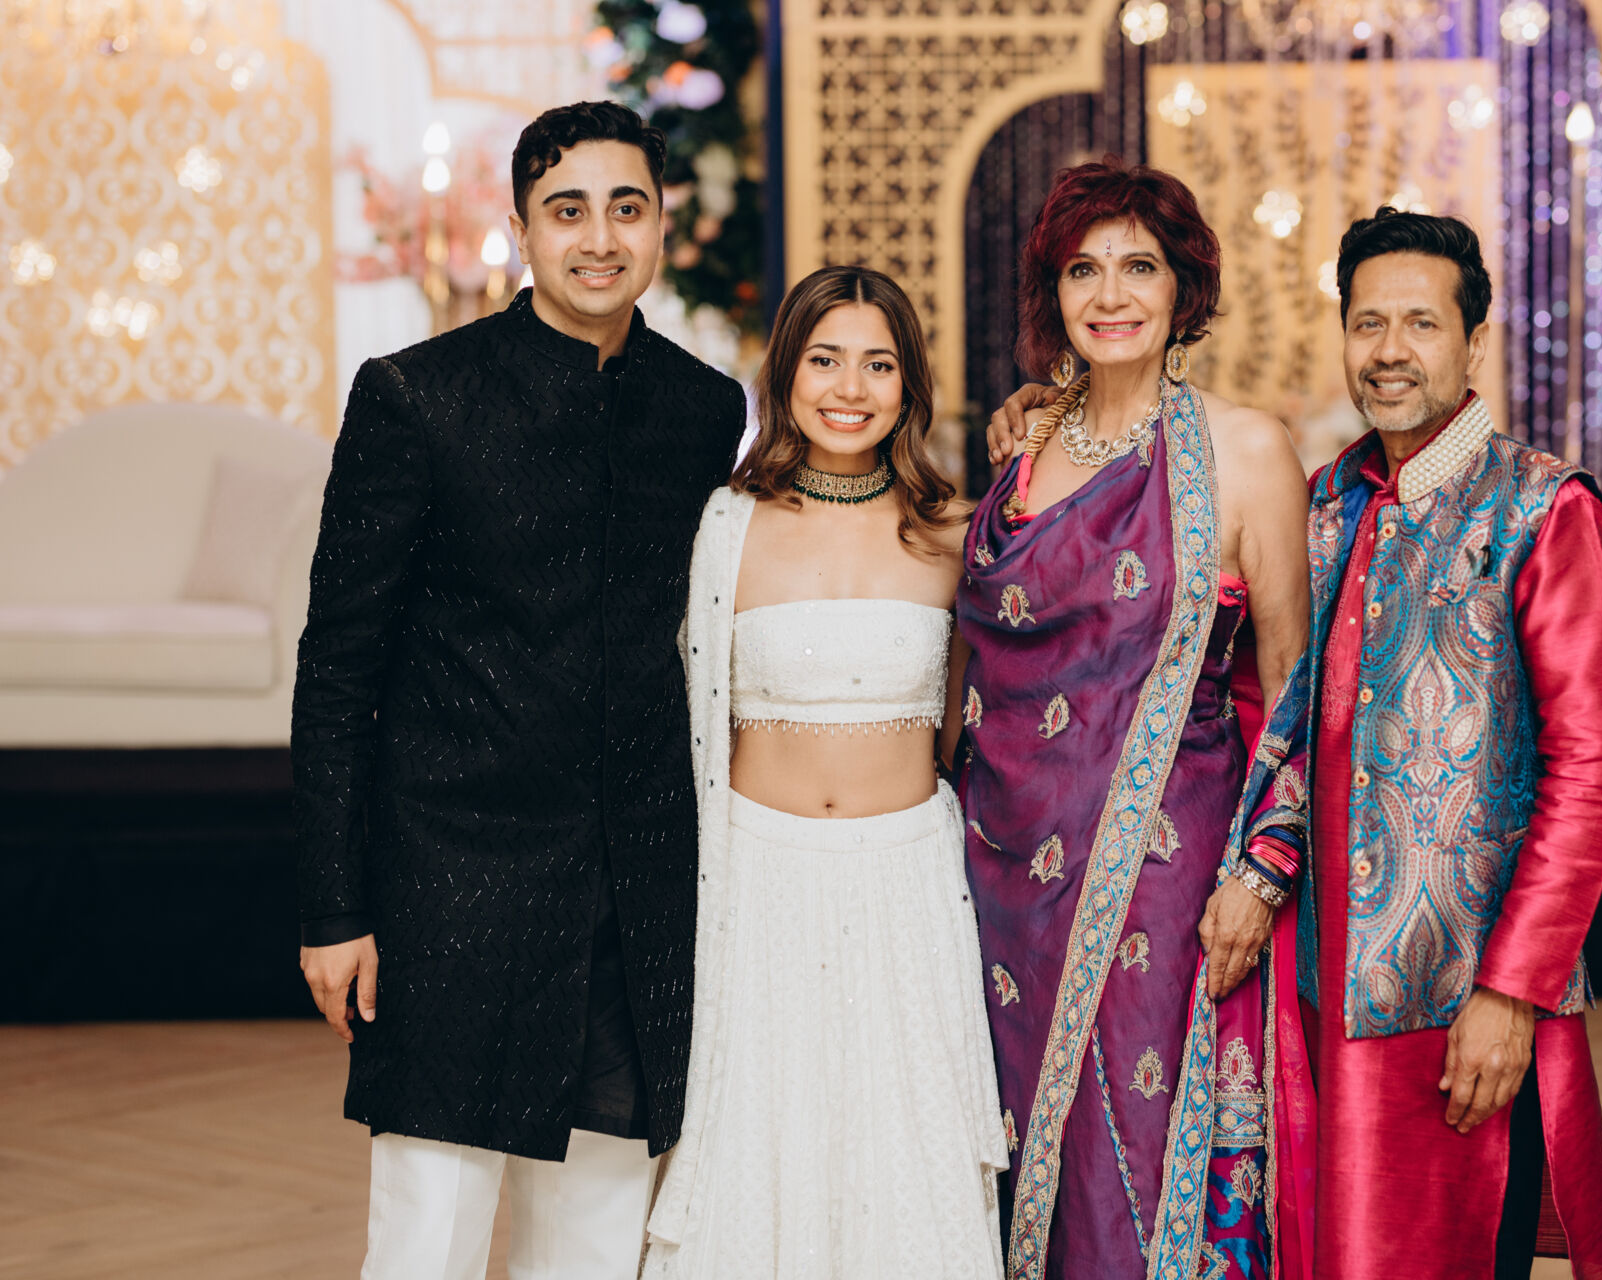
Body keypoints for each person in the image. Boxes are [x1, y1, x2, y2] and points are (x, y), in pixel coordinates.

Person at [292, 101, 745, 1280]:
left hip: (630, 895)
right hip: (456, 886)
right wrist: (334, 906)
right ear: (524, 228)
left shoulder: (703, 410)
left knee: (596, 1243)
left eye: (626, 208)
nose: (600, 237)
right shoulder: (417, 395)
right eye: (567, 209)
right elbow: (338, 667)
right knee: (426, 1242)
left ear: (662, 224)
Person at [959, 157, 1316, 1280]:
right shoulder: (1021, 449)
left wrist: (1262, 873)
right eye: (1083, 270)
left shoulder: (1243, 450)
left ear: (1182, 286)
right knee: (1013, 1158)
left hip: (1161, 878)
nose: (1110, 294)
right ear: (1052, 293)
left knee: (1146, 1166)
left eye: (1139, 267)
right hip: (998, 875)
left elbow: (1297, 691)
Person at [645, 265, 1007, 1278]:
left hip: (907, 884)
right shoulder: (721, 528)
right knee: (763, 1147)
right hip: (760, 884)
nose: (851, 388)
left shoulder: (955, 532)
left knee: (905, 1150)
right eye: (826, 360)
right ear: (786, 373)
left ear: (910, 384)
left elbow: (975, 722)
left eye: (878, 364)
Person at [1297, 208, 1602, 1279]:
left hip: (1459, 1007)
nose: (1389, 350)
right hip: (1319, 998)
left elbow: (1593, 769)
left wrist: (1512, 990)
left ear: (1472, 341)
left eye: (1421, 323)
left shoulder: (1540, 509)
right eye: (1368, 323)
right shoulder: (1327, 504)